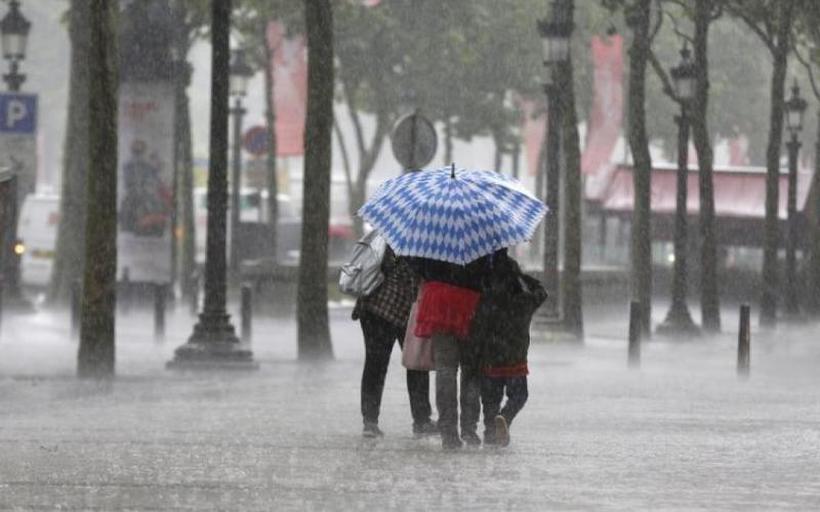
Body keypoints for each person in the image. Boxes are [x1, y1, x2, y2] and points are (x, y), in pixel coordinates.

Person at [353, 246, 437, 438]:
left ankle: (372, 421)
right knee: (410, 365)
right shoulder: (419, 244)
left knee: (379, 365)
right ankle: (419, 420)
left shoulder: (392, 234)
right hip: (388, 309)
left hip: (380, 308)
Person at [406, 255, 488, 449]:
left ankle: (448, 431)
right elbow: (491, 270)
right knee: (471, 369)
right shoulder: (481, 232)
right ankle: (469, 428)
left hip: (439, 298)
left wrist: (431, 273)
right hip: (471, 299)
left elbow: (416, 264)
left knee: (445, 368)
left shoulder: (433, 231)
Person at [471, 249, 546, 447]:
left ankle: (490, 433)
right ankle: (505, 416)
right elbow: (542, 293)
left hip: (490, 355)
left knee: (490, 399)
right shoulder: (524, 301)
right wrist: (522, 278)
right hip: (515, 355)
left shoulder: (486, 295)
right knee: (519, 395)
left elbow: (478, 323)